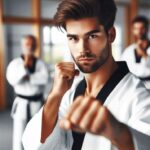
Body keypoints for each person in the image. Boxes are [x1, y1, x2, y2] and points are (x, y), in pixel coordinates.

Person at [22, 0, 150, 150]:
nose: (83, 49)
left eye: (92, 36)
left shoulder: (139, 97)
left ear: (111, 34)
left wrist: (118, 132)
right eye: (73, 38)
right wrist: (55, 94)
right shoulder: (70, 94)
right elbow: (34, 145)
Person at [6, 35, 49, 150]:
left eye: (32, 44)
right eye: (27, 44)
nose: (30, 47)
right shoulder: (15, 64)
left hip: (37, 103)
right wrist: (24, 67)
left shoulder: (41, 64)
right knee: (19, 134)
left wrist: (28, 77)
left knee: (37, 133)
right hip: (22, 103)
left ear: (35, 46)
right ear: (22, 46)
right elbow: (12, 80)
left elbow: (44, 79)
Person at [121, 16, 150, 89]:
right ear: (133, 30)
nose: (139, 31)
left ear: (147, 29)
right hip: (133, 86)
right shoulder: (128, 50)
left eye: (142, 28)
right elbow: (122, 68)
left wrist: (144, 54)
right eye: (136, 28)